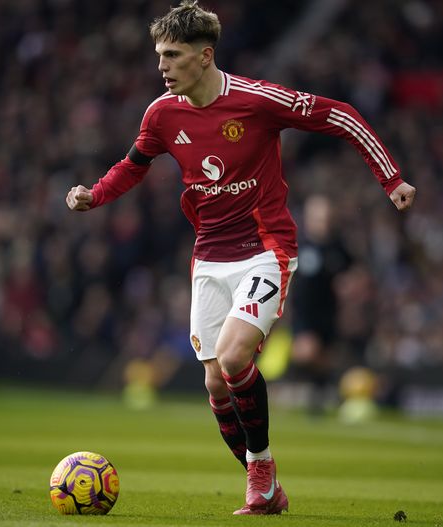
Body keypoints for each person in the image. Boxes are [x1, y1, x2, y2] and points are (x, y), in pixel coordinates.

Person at [66, 0, 416, 515]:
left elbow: (339, 114)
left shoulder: (256, 100)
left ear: (204, 57)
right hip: (208, 258)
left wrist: (391, 178)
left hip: (265, 250)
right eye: (158, 54)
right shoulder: (161, 115)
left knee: (233, 359)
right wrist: (94, 195)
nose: (161, 65)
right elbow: (132, 165)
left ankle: (261, 470)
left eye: (172, 54)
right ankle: (265, 487)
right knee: (214, 381)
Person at [289, 194, 352, 415]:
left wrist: (348, 287)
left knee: (326, 359)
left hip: (329, 312)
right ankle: (291, 385)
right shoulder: (298, 244)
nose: (322, 222)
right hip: (304, 314)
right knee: (306, 353)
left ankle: (319, 396)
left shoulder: (338, 247)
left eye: (325, 217)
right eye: (317, 217)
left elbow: (353, 273)